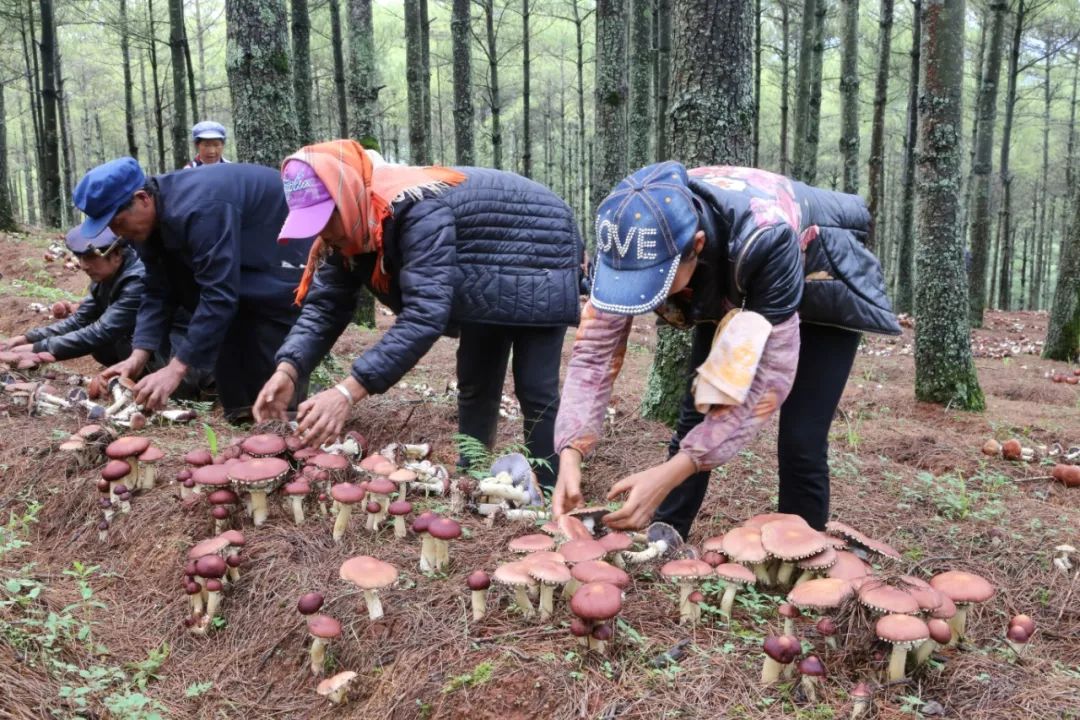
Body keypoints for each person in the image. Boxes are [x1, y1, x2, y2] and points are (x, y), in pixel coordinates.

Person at [552, 162, 901, 537]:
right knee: (699, 410)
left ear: (697, 247)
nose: (640, 295)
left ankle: (801, 550)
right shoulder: (630, 230)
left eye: (654, 280)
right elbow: (593, 355)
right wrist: (571, 450)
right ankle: (666, 536)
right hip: (733, 285)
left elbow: (766, 385)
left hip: (824, 282)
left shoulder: (766, 236)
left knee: (802, 438)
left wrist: (669, 474)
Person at [252, 140, 583, 486]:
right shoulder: (350, 227)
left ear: (345, 195)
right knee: (475, 379)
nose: (322, 232)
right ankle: (473, 475)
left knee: (535, 388)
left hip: (542, 243)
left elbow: (424, 314)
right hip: (482, 265)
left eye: (324, 219)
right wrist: (289, 368)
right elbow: (325, 306)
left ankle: (549, 487)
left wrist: (349, 392)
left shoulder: (412, 210)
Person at [71, 156, 315, 420]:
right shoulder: (145, 227)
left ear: (142, 199)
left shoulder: (201, 209)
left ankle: (286, 417)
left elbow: (219, 295)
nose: (118, 233)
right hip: (240, 258)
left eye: (118, 223)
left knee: (265, 320)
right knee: (234, 377)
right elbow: (157, 289)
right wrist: (138, 356)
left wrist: (176, 369)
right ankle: (243, 416)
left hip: (281, 248)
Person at [0, 226, 168, 368]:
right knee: (99, 342)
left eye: (90, 257)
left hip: (168, 353)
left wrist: (36, 348)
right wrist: (24, 339)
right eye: (80, 257)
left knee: (107, 340)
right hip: (139, 346)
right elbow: (80, 320)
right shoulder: (105, 277)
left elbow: (101, 331)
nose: (83, 265)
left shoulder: (137, 280)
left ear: (116, 254)